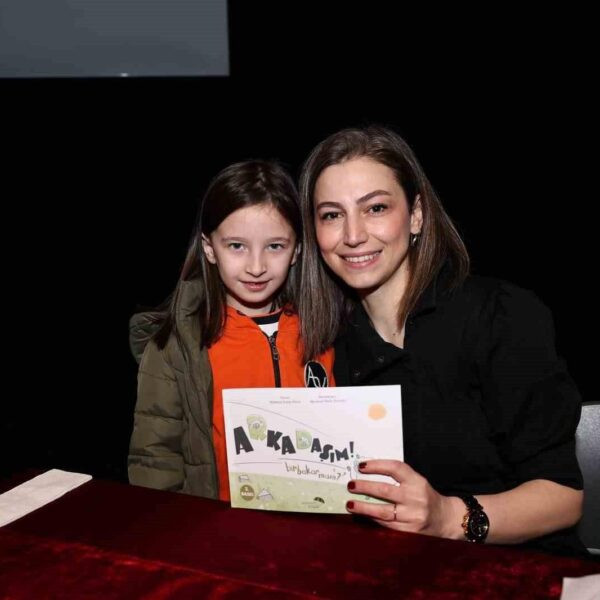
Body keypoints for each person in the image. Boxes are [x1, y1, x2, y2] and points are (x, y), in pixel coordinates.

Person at [297, 126, 585, 554]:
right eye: (332, 215)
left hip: (516, 572)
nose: (353, 235)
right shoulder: (328, 345)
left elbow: (564, 499)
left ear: (415, 215)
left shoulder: (498, 317)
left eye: (375, 208)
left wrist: (450, 517)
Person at [128, 160, 335, 501]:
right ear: (210, 247)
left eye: (275, 246)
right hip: (214, 535)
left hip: (314, 528)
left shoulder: (323, 330)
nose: (256, 267)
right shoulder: (176, 346)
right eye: (236, 246)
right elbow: (155, 458)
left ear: (297, 249)